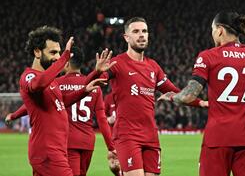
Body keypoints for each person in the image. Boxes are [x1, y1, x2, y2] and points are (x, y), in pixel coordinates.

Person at [159, 11, 245, 176]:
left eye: (212, 30)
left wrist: (172, 96)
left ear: (219, 30)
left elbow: (188, 95)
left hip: (217, 139)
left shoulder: (209, 56)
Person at [101, 17, 203, 176]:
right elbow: (96, 81)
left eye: (144, 31)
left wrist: (203, 103)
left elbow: (178, 93)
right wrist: (97, 73)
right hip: (127, 134)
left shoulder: (153, 67)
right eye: (136, 31)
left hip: (150, 135)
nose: (141, 35)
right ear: (126, 37)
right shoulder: (117, 63)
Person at [18, 26, 113, 176]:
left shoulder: (53, 82)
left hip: (56, 149)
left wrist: (85, 89)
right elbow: (37, 84)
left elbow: (62, 103)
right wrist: (64, 59)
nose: (57, 57)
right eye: (53, 52)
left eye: (59, 53)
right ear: (37, 52)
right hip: (48, 152)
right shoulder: (29, 76)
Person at [55, 46, 117, 176]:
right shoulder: (94, 85)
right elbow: (102, 120)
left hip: (67, 141)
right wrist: (111, 147)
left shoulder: (56, 84)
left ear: (66, 63)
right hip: (87, 142)